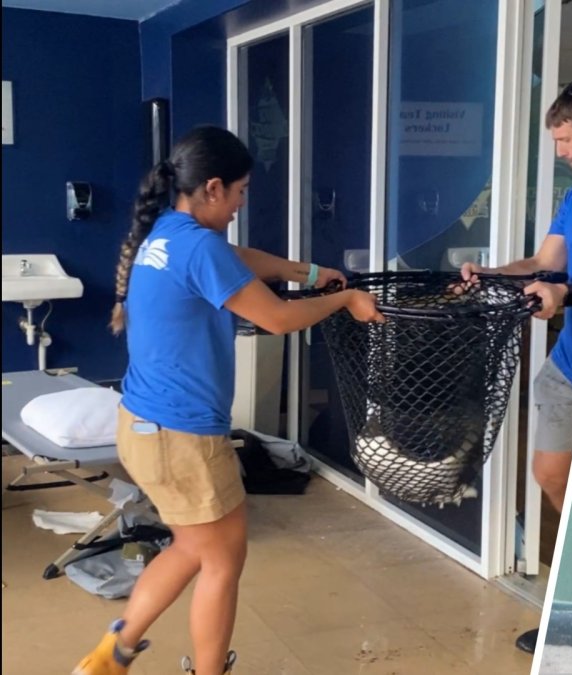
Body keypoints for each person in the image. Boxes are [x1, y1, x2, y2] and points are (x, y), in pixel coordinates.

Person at [73, 125, 384, 675]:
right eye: (240, 191)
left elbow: (240, 258)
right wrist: (346, 300)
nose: (241, 203)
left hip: (144, 424)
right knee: (222, 559)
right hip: (181, 437)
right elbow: (277, 318)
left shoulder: (170, 232)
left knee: (193, 547)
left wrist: (310, 273)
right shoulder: (198, 246)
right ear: (213, 188)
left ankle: (110, 655)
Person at [460, 77, 572, 655]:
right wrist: (490, 274)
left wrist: (569, 294)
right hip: (570, 364)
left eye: (565, 140)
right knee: (551, 473)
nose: (561, 153)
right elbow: (544, 262)